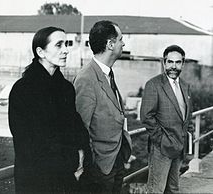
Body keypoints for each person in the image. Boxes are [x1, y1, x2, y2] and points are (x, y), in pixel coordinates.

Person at [8, 26, 91, 194]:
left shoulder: (66, 88)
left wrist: (82, 152)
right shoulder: (23, 90)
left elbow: (76, 126)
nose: (66, 50)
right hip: (36, 181)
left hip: (68, 178)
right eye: (59, 45)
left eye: (66, 44)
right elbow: (29, 142)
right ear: (41, 52)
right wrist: (73, 159)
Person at [73, 20, 132, 194]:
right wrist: (93, 166)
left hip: (116, 160)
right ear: (110, 44)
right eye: (121, 39)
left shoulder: (108, 73)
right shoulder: (86, 78)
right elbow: (81, 127)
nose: (123, 43)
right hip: (100, 168)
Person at [140, 45, 194, 193]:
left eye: (177, 62)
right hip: (161, 149)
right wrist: (163, 140)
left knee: (173, 189)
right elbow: (146, 116)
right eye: (170, 62)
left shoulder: (185, 86)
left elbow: (188, 116)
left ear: (183, 63)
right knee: (156, 190)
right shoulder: (154, 85)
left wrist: (188, 142)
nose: (173, 67)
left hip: (180, 148)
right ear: (164, 63)